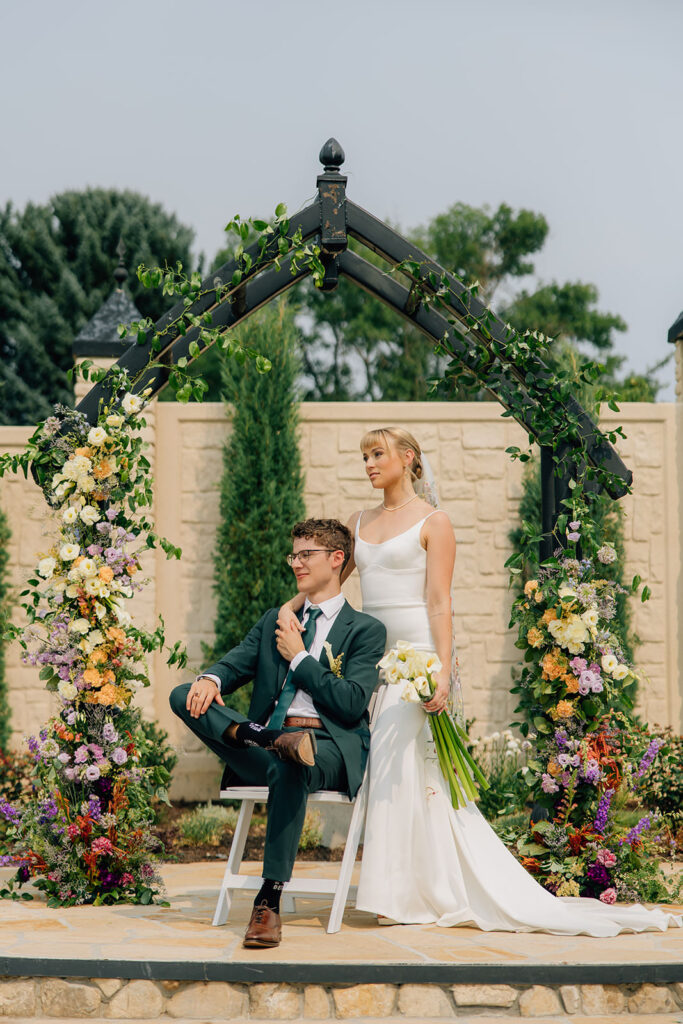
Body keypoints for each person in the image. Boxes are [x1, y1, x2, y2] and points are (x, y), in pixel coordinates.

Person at [279, 428, 681, 936]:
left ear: (408, 458)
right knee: (389, 771)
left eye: (377, 454)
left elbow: (439, 601)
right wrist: (289, 610)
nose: (368, 464)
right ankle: (404, 889)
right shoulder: (357, 524)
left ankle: (403, 895)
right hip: (368, 660)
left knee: (401, 768)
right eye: (364, 456)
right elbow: (326, 580)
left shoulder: (434, 522)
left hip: (415, 661)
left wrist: (442, 670)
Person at [170, 518, 386, 949]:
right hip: (266, 741)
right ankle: (266, 738)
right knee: (184, 694)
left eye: (307, 554)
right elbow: (233, 664)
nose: (297, 563)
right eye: (295, 555)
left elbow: (349, 703)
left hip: (326, 747)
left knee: (294, 759)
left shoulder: (365, 630)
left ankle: (268, 899)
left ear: (337, 559)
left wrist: (302, 657)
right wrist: (212, 678)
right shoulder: (276, 619)